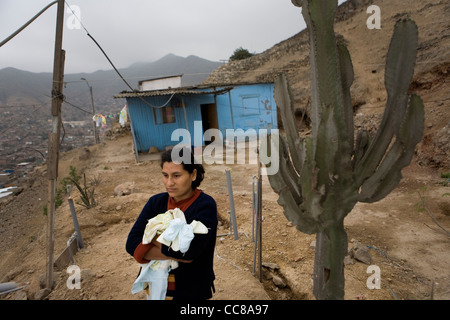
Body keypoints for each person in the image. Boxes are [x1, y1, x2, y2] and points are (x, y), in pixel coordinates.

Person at [126, 146, 218, 300]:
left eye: (176, 175)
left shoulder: (205, 205)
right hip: (156, 288)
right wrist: (176, 252)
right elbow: (131, 243)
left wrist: (152, 237)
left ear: (193, 174)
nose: (169, 183)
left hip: (192, 290)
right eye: (165, 175)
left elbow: (190, 253)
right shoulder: (156, 203)